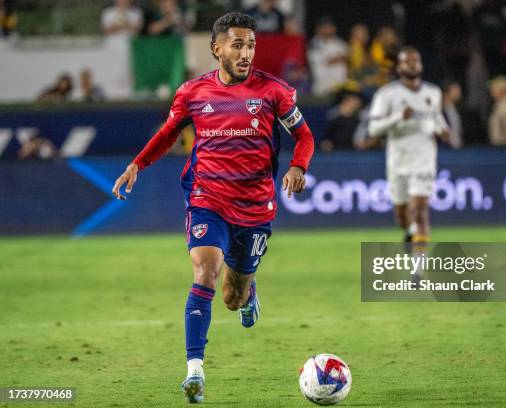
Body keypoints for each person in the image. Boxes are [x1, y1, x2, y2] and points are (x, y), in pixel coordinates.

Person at [111, 12, 314, 404]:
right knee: (205, 272)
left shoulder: (275, 92)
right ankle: (194, 371)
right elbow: (168, 133)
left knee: (233, 297)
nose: (246, 53)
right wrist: (137, 163)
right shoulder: (192, 93)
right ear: (216, 48)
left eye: (251, 45)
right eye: (238, 45)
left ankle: (249, 291)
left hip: (255, 206)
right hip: (208, 198)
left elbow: (304, 135)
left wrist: (297, 166)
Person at [367, 47, 449, 282]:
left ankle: (418, 271)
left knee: (420, 211)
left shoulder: (433, 92)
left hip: (424, 160)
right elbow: (373, 129)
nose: (412, 65)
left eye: (416, 61)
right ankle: (409, 231)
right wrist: (397, 118)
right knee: (403, 215)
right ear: (399, 67)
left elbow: (435, 118)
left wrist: (443, 129)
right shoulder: (386, 95)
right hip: (398, 161)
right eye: (407, 62)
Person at [308, 17, 348, 97]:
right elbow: (322, 63)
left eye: (330, 26)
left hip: (341, 86)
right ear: (319, 29)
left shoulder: (339, 42)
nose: (329, 29)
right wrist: (336, 59)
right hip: (324, 88)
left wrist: (339, 58)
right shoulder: (314, 44)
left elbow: (347, 56)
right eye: (326, 27)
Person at [488, 75, 506, 146]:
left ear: (502, 90)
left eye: (494, 90)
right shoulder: (499, 104)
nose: (491, 93)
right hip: (499, 147)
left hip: (505, 149)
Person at [441, 80, 463, 149]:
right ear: (446, 93)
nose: (459, 92)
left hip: (460, 150)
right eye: (455, 89)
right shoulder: (440, 112)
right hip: (446, 152)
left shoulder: (459, 109)